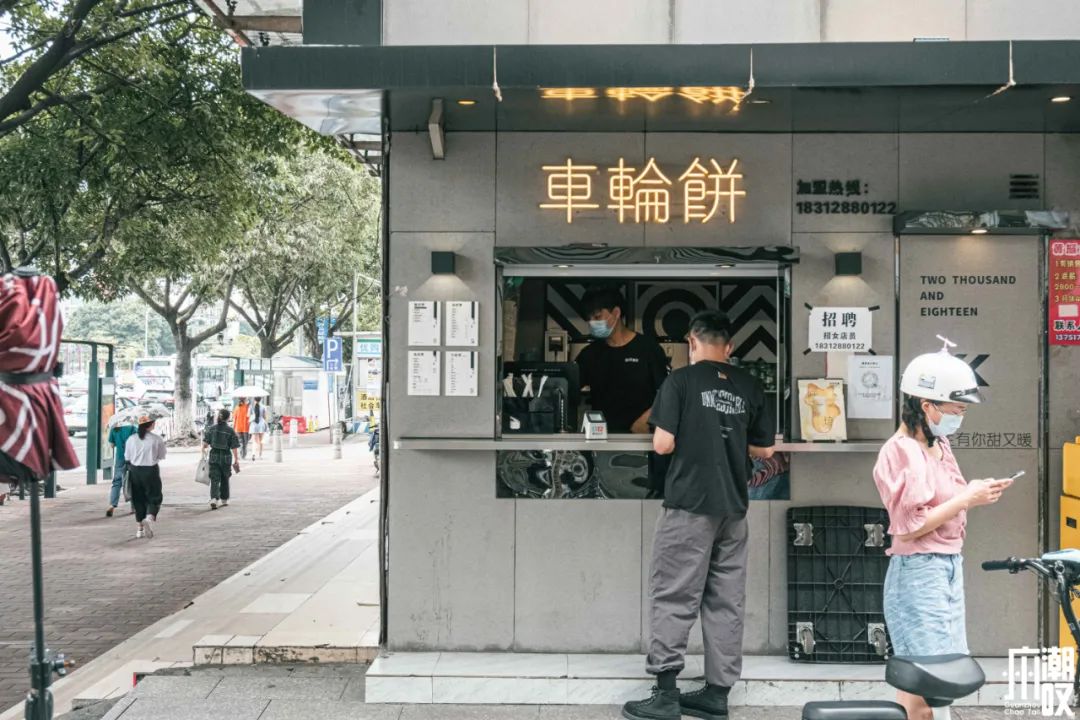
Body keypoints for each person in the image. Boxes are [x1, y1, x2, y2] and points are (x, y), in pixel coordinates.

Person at [623, 310, 774, 720]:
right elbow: (764, 450)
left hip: (689, 505)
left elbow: (662, 444)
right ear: (729, 347)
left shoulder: (680, 381)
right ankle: (716, 695)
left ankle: (667, 693)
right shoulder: (750, 385)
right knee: (726, 599)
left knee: (673, 593)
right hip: (733, 509)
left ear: (691, 342)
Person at [873, 340, 1013, 720]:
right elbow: (908, 526)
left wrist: (973, 492)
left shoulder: (940, 444)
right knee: (927, 685)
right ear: (926, 405)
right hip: (918, 572)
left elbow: (948, 498)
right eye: (956, 409)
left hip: (946, 567)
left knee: (935, 680)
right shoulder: (900, 451)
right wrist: (967, 498)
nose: (960, 418)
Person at [575, 285, 669, 434]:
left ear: (616, 313)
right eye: (589, 319)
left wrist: (647, 419)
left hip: (642, 436)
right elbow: (569, 389)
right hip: (601, 437)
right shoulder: (589, 354)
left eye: (597, 316)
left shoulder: (648, 349)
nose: (592, 323)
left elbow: (668, 394)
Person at [124, 415, 166, 539]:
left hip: (135, 471)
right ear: (151, 425)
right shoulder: (156, 439)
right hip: (151, 470)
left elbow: (127, 457)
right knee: (154, 496)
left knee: (138, 499)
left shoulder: (131, 439)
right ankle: (149, 518)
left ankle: (139, 529)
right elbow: (161, 456)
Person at [203, 408, 241, 510]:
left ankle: (214, 499)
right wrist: (236, 459)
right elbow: (234, 447)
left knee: (214, 478)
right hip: (226, 457)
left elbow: (205, 445)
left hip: (214, 455)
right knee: (225, 477)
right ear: (228, 418)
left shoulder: (211, 429)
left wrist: (203, 451)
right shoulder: (230, 431)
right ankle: (224, 499)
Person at [105, 421, 137, 517]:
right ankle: (134, 507)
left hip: (120, 458)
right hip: (132, 458)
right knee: (133, 482)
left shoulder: (114, 428)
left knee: (117, 482)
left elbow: (111, 445)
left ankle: (112, 504)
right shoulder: (132, 427)